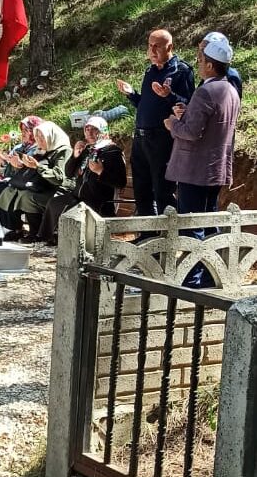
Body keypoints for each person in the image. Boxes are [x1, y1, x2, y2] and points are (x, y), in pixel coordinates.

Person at [163, 39, 241, 288]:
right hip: (215, 168)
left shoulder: (206, 91)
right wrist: (185, 114)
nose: (198, 64)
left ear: (209, 65)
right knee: (209, 223)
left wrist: (173, 124)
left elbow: (192, 132)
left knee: (192, 225)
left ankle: (193, 278)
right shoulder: (230, 89)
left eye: (200, 60)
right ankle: (210, 276)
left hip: (194, 170)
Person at [116, 29, 194, 218]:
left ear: (170, 47)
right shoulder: (150, 71)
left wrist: (169, 96)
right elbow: (144, 104)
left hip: (162, 138)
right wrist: (131, 94)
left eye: (156, 46)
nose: (152, 51)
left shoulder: (181, 71)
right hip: (141, 137)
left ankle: (168, 239)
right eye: (149, 46)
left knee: (163, 190)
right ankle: (147, 236)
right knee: (142, 189)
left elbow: (189, 104)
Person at [36, 116, 127, 245]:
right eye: (87, 129)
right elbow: (68, 173)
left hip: (99, 201)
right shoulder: (88, 149)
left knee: (70, 208)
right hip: (78, 196)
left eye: (94, 129)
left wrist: (101, 171)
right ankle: (50, 237)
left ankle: (62, 240)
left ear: (103, 131)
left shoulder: (113, 152)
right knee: (55, 202)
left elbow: (120, 182)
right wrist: (75, 156)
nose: (89, 133)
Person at [0, 121, 73, 243]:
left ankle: (35, 232)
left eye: (42, 136)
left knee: (26, 196)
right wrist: (20, 165)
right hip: (41, 185)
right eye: (38, 137)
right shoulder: (41, 149)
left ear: (51, 136)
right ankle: (14, 229)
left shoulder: (63, 151)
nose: (39, 140)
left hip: (57, 190)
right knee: (10, 191)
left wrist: (37, 167)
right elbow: (31, 170)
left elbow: (59, 178)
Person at [0, 116, 43, 210]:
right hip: (14, 181)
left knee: (4, 186)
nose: (23, 133)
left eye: (26, 130)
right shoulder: (18, 148)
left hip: (27, 184)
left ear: (34, 131)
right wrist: (4, 162)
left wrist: (19, 166)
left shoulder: (39, 149)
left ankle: (8, 223)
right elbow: (7, 172)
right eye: (22, 130)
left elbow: (32, 172)